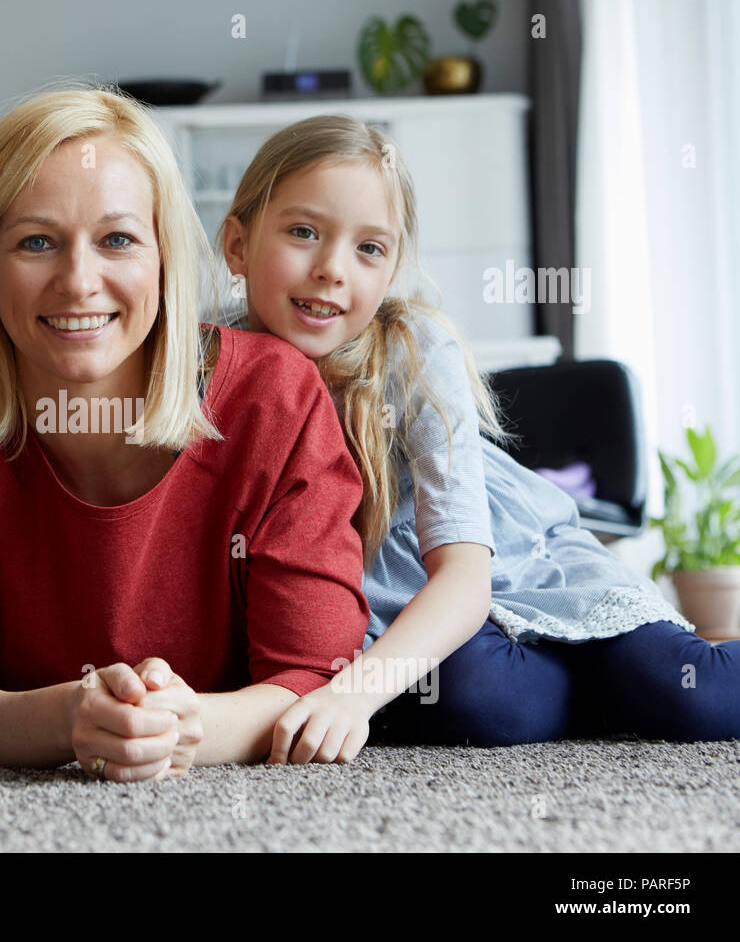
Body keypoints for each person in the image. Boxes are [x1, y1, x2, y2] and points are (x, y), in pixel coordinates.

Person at [218, 114, 740, 763]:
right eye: (303, 232)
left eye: (369, 249)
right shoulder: (211, 366)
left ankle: (619, 680)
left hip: (518, 573)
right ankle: (600, 695)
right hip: (408, 628)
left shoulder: (411, 353)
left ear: (392, 271)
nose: (331, 269)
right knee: (471, 699)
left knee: (694, 697)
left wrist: (354, 695)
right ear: (237, 244)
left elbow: (465, 577)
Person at [0, 84, 370, 784]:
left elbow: (314, 675)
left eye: (117, 239)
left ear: (165, 257)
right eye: (36, 242)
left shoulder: (274, 394)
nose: (79, 282)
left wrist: (185, 728)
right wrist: (73, 717)